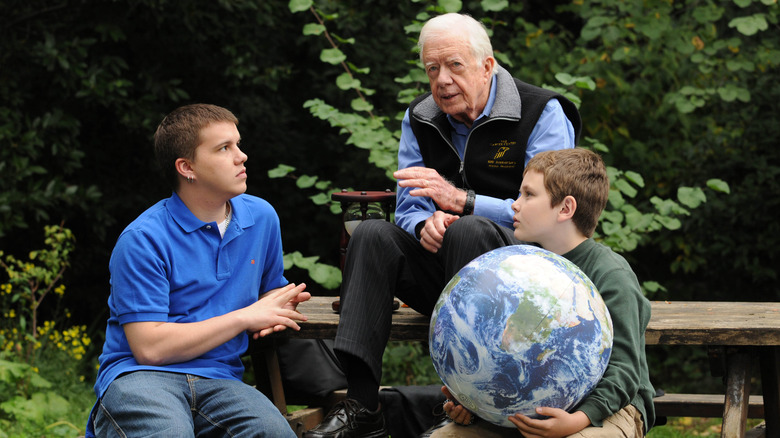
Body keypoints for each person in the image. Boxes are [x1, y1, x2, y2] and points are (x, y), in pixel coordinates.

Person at [304, 12, 582, 438]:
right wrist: (423, 226)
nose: (442, 79)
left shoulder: (542, 112)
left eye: (454, 65)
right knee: (373, 234)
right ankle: (362, 407)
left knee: (467, 229)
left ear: (487, 66)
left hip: (526, 286)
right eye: (432, 68)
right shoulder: (420, 117)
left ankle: (464, 398)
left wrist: (464, 203)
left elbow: (550, 216)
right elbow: (407, 207)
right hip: (446, 274)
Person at [85, 103, 311, 437]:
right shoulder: (143, 239)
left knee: (273, 432)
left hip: (220, 377)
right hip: (141, 377)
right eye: (224, 148)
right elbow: (151, 348)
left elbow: (269, 291)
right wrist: (246, 317)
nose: (241, 156)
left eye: (238, 144)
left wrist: (279, 303)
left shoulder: (261, 218)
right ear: (186, 167)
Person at [432, 148, 656, 437]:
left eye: (528, 195)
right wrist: (472, 402)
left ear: (565, 208)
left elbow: (624, 373)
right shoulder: (515, 266)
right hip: (524, 408)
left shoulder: (610, 274)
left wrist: (577, 421)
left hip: (609, 410)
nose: (515, 204)